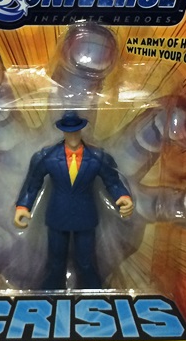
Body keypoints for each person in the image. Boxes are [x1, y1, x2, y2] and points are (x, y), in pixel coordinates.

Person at [15, 110, 133, 289]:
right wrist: (23, 206)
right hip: (58, 214)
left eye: (76, 131)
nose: (72, 136)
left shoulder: (97, 157)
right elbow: (33, 183)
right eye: (69, 131)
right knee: (55, 264)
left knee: (86, 263)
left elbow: (113, 181)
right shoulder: (47, 156)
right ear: (63, 131)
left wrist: (123, 197)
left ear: (81, 130)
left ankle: (94, 294)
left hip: (85, 216)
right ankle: (51, 295)